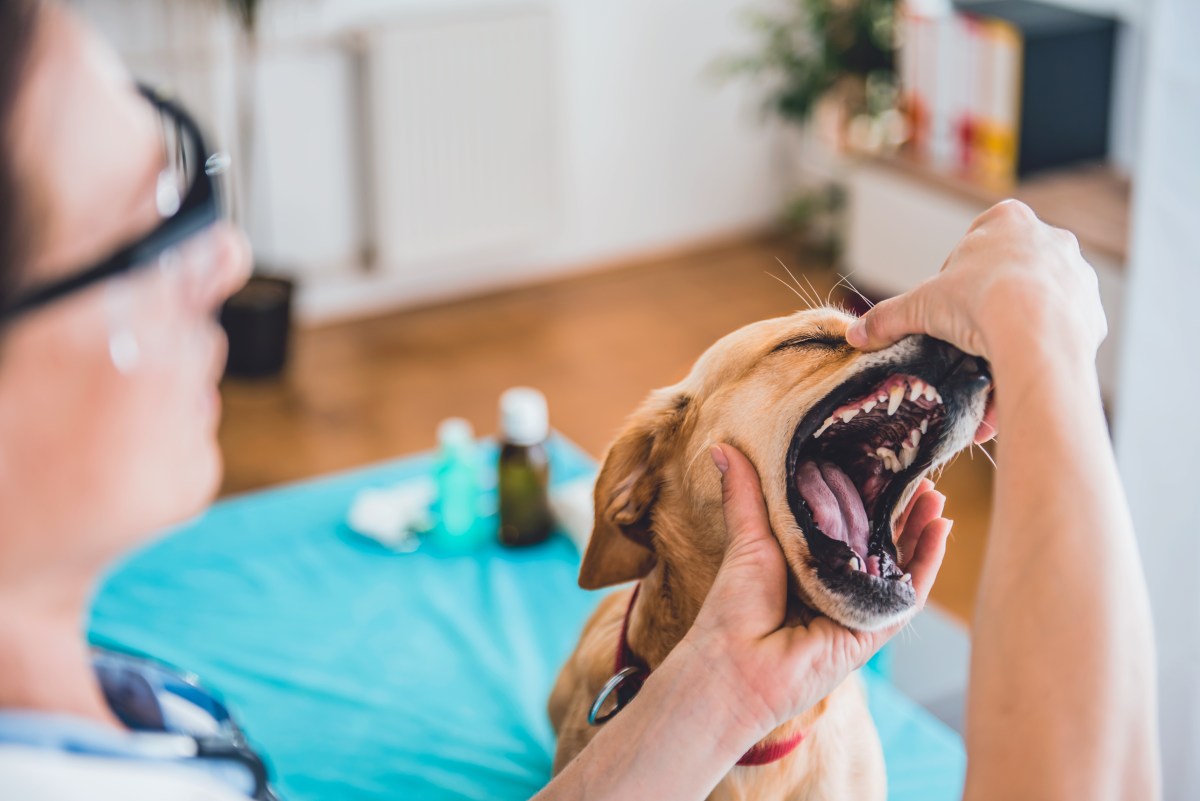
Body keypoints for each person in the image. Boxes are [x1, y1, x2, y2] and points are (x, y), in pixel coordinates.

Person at [0, 2, 1159, 800]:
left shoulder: (104, 714)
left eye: (183, 167)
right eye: (137, 218)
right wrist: (1047, 346)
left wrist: (728, 686)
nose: (226, 257)